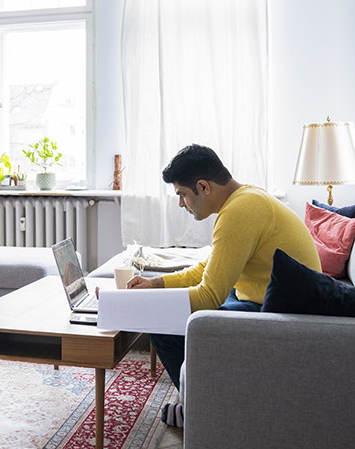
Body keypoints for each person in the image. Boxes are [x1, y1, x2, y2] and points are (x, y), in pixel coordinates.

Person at [126, 144, 321, 425]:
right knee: (178, 311)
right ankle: (201, 399)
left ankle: (202, 410)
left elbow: (208, 296)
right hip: (267, 301)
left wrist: (151, 304)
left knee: (164, 327)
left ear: (203, 187)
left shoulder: (239, 212)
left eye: (182, 194)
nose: (181, 203)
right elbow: (207, 268)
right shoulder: (246, 198)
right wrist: (156, 284)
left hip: (281, 315)